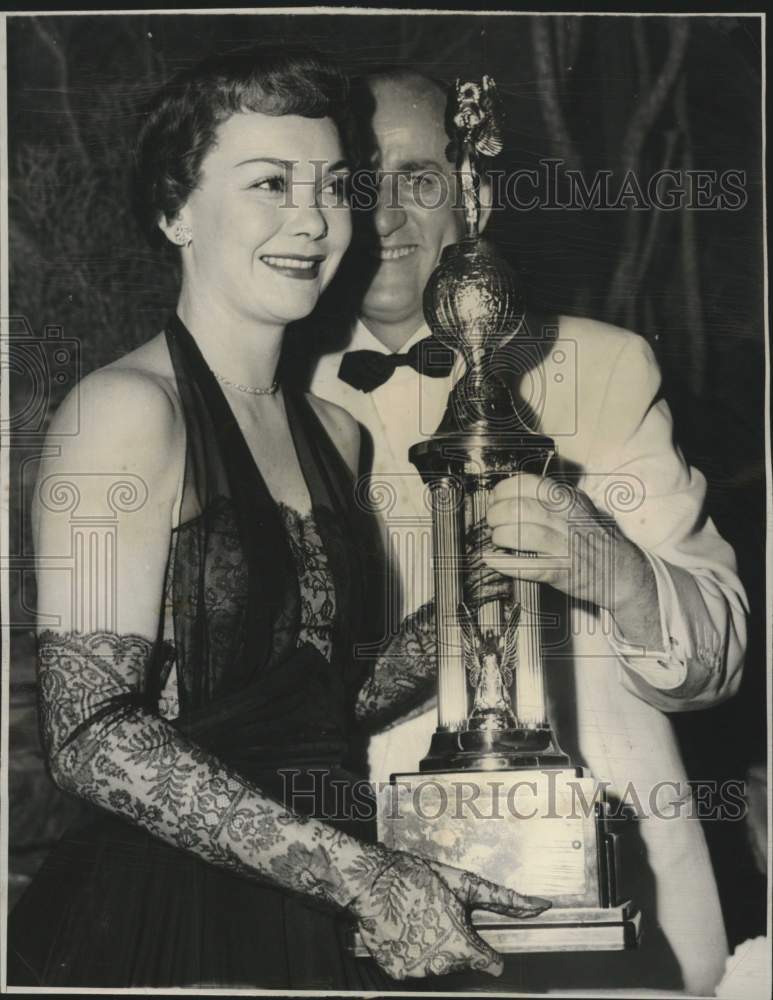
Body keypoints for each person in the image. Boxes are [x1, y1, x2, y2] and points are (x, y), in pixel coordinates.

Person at [6, 48, 550, 990]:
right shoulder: (124, 411)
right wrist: (364, 875)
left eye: (333, 185)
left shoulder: (334, 432)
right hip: (171, 912)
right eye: (270, 183)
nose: (312, 220)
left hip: (326, 903)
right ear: (176, 212)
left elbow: (326, 696)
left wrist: (474, 589)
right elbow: (90, 737)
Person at [309, 68, 748, 995]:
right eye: (354, 181)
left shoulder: (604, 365)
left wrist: (617, 571)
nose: (383, 218)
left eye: (417, 180)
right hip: (362, 916)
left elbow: (717, 655)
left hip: (605, 908)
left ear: (473, 192)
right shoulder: (264, 398)